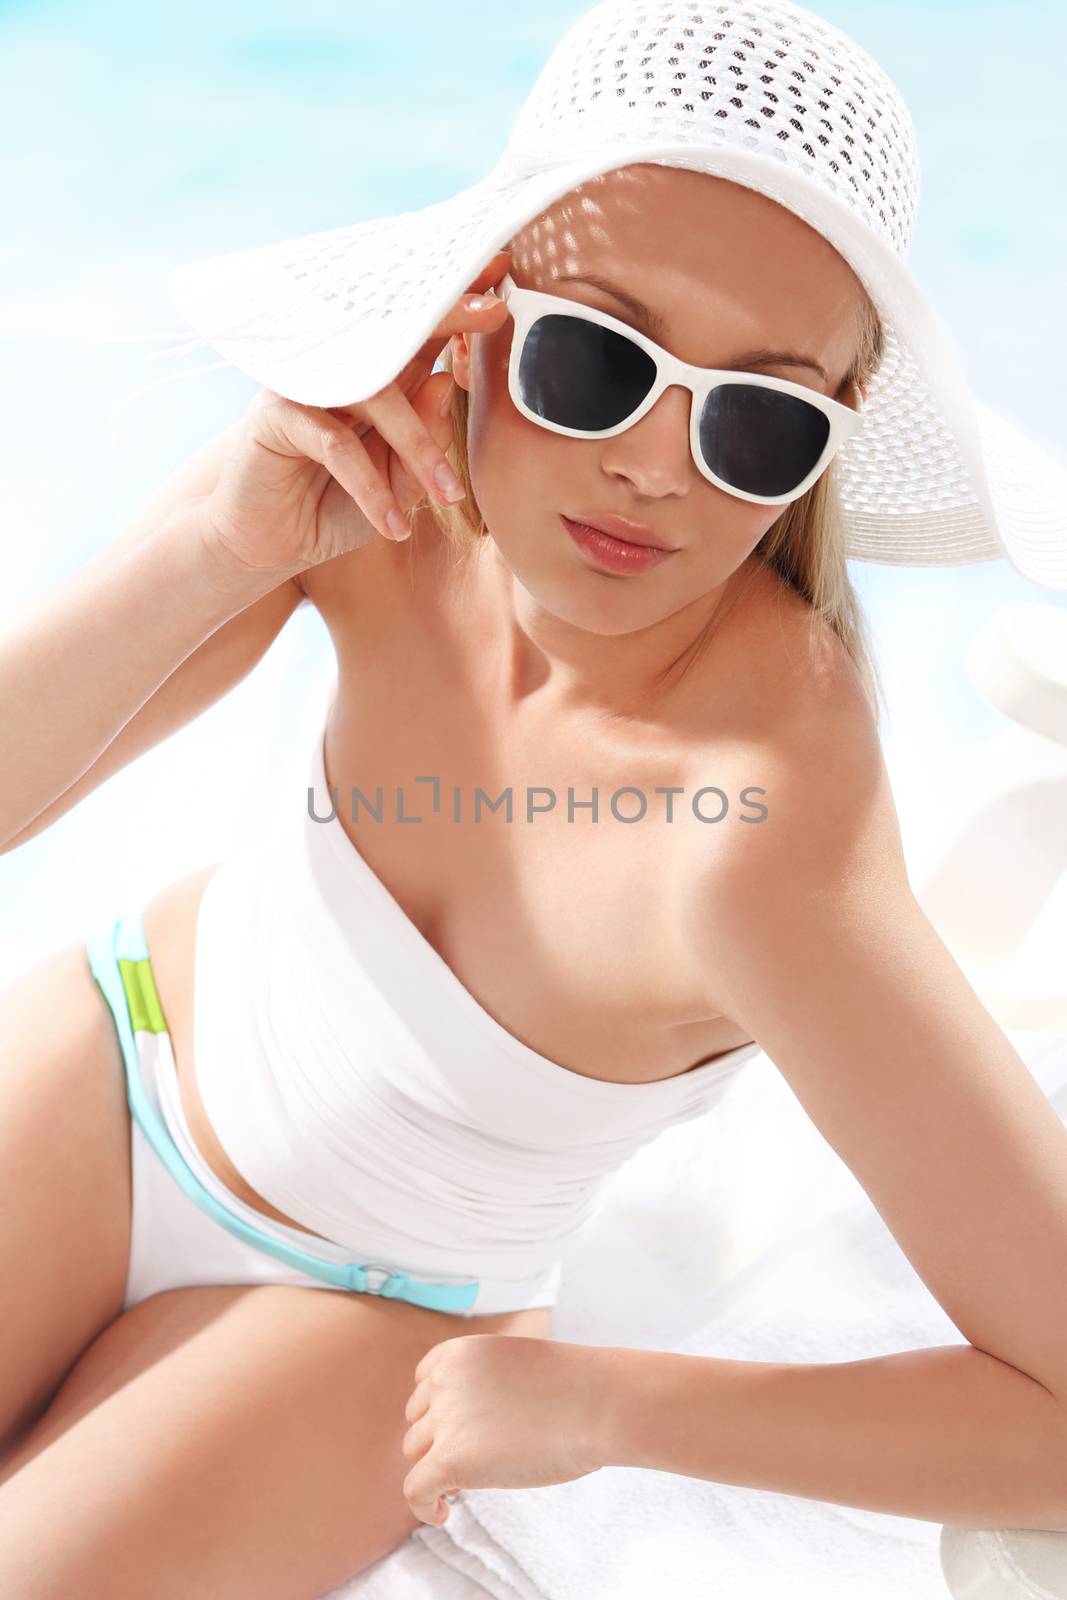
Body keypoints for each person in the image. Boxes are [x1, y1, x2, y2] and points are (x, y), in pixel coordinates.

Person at [2, 0, 1067, 1590]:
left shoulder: (751, 828)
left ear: (819, 452)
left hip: (363, 1314)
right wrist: (209, 555)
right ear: (480, 318)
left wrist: (611, 1403)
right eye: (596, 359)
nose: (653, 462)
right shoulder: (374, 492)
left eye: (758, 417)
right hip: (118, 1052)